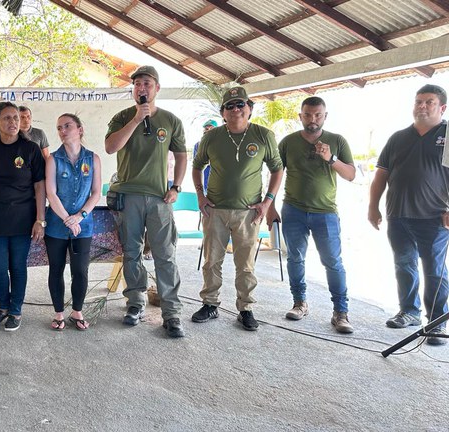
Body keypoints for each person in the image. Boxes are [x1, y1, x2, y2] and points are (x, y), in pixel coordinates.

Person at [104, 65, 187, 338]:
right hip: (128, 195)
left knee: (165, 254)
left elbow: (181, 155)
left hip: (159, 197)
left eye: (147, 84)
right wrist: (136, 120)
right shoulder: (122, 117)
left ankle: (171, 312)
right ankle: (135, 302)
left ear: (157, 88)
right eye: (137, 84)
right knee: (131, 252)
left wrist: (176, 186)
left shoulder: (171, 120)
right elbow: (111, 147)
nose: (142, 88)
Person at [191, 86, 283, 331]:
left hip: (248, 212)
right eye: (229, 106)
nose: (235, 109)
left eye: (240, 104)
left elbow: (277, 169)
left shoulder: (264, 135)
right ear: (223, 112)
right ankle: (210, 304)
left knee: (245, 265)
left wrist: (267, 202)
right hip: (215, 210)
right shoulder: (211, 137)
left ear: (249, 108)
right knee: (211, 261)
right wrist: (200, 196)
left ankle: (246, 308)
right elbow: (197, 166)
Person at [266, 97, 356, 333]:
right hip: (293, 209)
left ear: (325, 116)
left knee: (333, 262)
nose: (312, 119)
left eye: (317, 115)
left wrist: (331, 159)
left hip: (325, 213)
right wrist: (270, 205)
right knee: (295, 258)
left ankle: (340, 312)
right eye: (307, 115)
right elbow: (276, 173)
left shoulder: (337, 141)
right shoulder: (288, 142)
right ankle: (299, 303)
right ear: (300, 116)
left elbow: (350, 175)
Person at [368, 84, 449, 346]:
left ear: (442, 107)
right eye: (418, 101)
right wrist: (373, 206)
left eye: (429, 102)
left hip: (434, 217)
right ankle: (409, 312)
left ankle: (436, 322)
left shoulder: (447, 135)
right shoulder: (398, 138)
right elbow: (381, 175)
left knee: (434, 270)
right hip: (398, 215)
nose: (422, 106)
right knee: (404, 264)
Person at [0, 102, 46, 332]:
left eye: (16, 117)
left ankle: (15, 310)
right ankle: (3, 306)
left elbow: (40, 186)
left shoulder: (30, 149)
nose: (13, 122)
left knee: (17, 266)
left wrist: (40, 219)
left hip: (22, 219)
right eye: (6, 118)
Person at [45, 113, 101, 331]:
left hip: (83, 226)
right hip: (56, 225)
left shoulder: (93, 159)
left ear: (80, 129)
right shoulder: (53, 159)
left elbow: (96, 193)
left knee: (80, 270)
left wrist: (79, 216)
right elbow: (51, 193)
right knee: (56, 269)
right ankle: (59, 313)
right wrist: (67, 220)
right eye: (59, 128)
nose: (62, 131)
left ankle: (77, 311)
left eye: (67, 126)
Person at [193, 119, 218, 192]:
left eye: (211, 129)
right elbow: (196, 165)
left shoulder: (220, 145)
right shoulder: (198, 145)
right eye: (206, 129)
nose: (208, 131)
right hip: (204, 180)